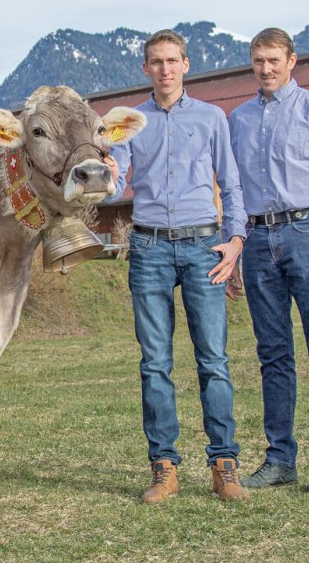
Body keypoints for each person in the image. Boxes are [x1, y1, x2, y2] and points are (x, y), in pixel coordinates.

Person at [105, 29, 249, 502]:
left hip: (204, 247)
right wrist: (106, 172)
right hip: (148, 250)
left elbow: (232, 185)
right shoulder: (129, 122)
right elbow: (115, 183)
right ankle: (164, 466)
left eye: (172, 60)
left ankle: (224, 464)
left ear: (186, 64)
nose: (164, 69)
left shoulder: (212, 118)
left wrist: (236, 240)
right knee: (155, 364)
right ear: (145, 68)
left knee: (214, 360)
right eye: (155, 61)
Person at [227, 28, 309, 494]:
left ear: (292, 61)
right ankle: (281, 459)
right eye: (258, 61)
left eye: (274, 60)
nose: (265, 69)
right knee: (273, 355)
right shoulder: (237, 119)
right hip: (259, 241)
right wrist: (235, 246)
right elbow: (234, 193)